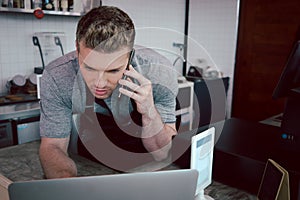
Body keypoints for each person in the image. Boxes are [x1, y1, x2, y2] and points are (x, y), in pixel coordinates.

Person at [39, 6, 178, 179]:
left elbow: (161, 154)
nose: (100, 83)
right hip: (93, 157)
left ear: (130, 56)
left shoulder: (160, 73)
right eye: (89, 67)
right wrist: (66, 185)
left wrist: (149, 111)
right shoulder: (58, 76)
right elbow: (53, 146)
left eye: (112, 70)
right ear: (77, 48)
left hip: (147, 166)